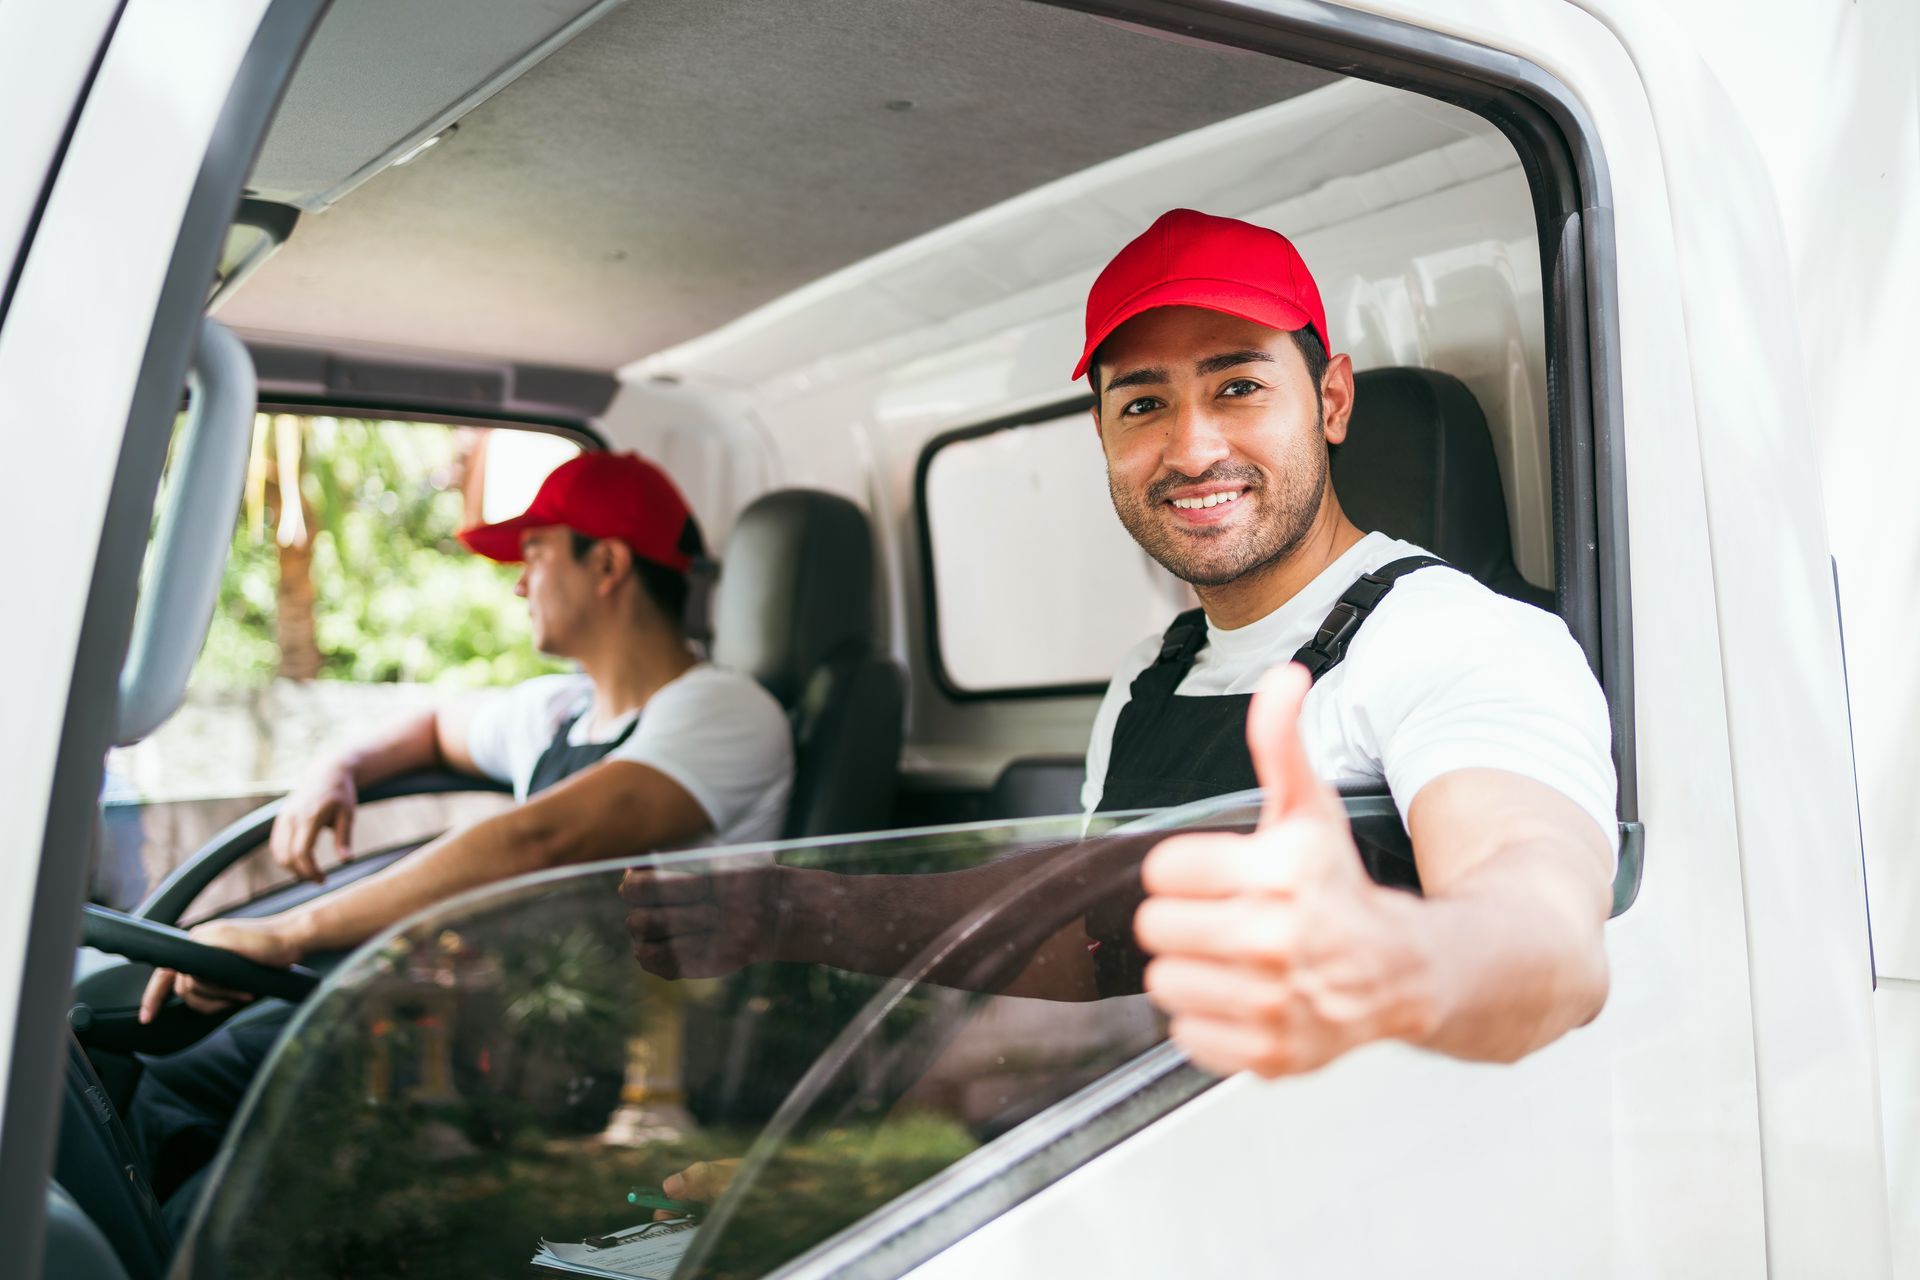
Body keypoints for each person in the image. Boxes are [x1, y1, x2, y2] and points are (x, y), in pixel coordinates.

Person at [621, 209, 1615, 1090]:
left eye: (1238, 385)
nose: (1191, 448)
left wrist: (1395, 957)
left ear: (1332, 399)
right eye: (1143, 403)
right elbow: (1090, 956)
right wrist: (791, 918)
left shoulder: (1455, 635)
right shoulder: (1153, 673)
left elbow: (1547, 933)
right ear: (1101, 433)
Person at [130, 450, 793, 1220]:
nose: (517, 584)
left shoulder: (722, 712)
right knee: (163, 1080)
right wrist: (334, 769)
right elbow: (435, 727)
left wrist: (290, 931)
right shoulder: (558, 712)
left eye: (536, 555)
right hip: (477, 1024)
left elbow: (541, 839)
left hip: (597, 1078)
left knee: (237, 1206)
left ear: (608, 563)